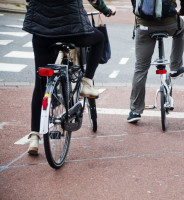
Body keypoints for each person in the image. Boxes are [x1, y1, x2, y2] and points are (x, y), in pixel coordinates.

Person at [23, 0, 116, 155]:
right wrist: (106, 10)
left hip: (42, 31)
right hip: (73, 29)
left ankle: (34, 136)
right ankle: (86, 81)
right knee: (99, 39)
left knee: (40, 83)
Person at [128, 0, 184, 123]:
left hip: (144, 26)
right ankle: (175, 67)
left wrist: (139, 11)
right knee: (181, 29)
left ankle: (135, 111)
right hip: (170, 23)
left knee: (141, 68)